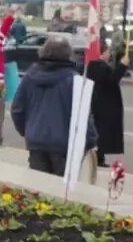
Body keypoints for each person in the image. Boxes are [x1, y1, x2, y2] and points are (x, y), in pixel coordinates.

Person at [11, 35, 96, 175]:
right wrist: (90, 142)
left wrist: (28, 131)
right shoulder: (75, 81)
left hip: (36, 142)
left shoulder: (29, 77)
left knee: (39, 190)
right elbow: (84, 118)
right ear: (69, 55)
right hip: (65, 146)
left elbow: (17, 110)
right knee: (60, 191)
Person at [85, 45, 128, 167]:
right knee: (102, 133)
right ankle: (98, 157)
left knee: (99, 131)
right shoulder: (100, 67)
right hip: (105, 104)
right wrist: (122, 66)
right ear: (101, 53)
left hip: (98, 102)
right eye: (108, 51)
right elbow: (112, 79)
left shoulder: (92, 66)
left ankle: (99, 156)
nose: (110, 54)